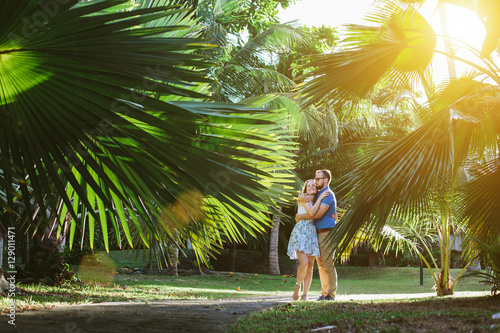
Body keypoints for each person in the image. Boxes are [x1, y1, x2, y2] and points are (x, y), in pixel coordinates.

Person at [295, 169, 337, 301]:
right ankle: (324, 293)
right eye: (315, 178)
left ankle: (331, 294)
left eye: (318, 178)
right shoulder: (319, 194)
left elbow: (317, 214)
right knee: (321, 264)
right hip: (317, 233)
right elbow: (305, 197)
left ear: (325, 180)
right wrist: (300, 198)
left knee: (328, 263)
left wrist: (300, 216)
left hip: (327, 232)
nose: (316, 180)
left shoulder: (328, 194)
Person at [287, 179, 331, 301]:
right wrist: (321, 196)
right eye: (309, 186)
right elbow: (311, 213)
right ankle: (297, 286)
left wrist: (333, 215)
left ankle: (305, 294)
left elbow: (319, 214)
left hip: (311, 231)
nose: (311, 187)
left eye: (313, 186)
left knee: (311, 266)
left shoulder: (316, 201)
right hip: (301, 230)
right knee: (304, 263)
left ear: (316, 189)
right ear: (305, 189)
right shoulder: (303, 198)